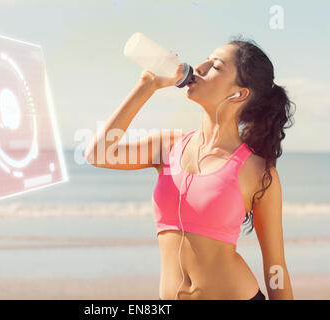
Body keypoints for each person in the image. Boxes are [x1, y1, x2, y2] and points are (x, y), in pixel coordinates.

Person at [85, 36, 295, 300]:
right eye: (205, 58)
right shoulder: (167, 146)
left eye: (216, 66)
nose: (200, 66)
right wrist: (145, 87)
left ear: (239, 93)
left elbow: (275, 265)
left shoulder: (258, 171)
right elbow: (98, 154)